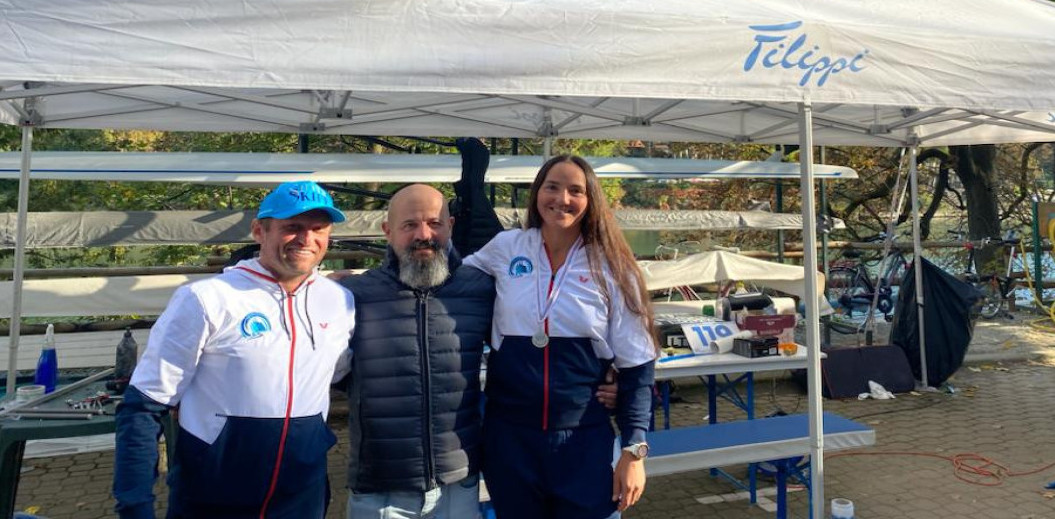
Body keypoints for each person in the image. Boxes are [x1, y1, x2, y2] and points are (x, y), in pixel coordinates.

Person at [113, 181, 355, 519]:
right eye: (292, 228)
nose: (307, 239)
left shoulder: (338, 300)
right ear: (259, 231)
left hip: (302, 495)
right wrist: (136, 507)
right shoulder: (206, 299)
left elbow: (343, 373)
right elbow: (142, 408)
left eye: (319, 229)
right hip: (213, 496)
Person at [464, 153, 658, 518]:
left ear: (590, 200)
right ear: (537, 192)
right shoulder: (507, 247)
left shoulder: (612, 265)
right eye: (552, 187)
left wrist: (634, 451)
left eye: (575, 190)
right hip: (510, 440)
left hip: (583, 441)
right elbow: (451, 282)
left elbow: (638, 367)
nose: (562, 198)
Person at [339, 183, 495, 518]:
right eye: (410, 225)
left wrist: (609, 378)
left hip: (458, 485)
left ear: (450, 226)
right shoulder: (354, 295)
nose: (424, 234)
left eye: (434, 223)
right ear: (387, 231)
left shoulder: (481, 289)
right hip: (381, 489)